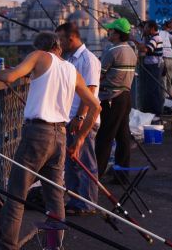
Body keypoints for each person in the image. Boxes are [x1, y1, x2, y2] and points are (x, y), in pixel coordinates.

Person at [0, 31, 101, 250]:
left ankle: (7, 245)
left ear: (42, 47)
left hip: (37, 134)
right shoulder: (72, 70)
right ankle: (55, 245)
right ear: (58, 47)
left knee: (16, 194)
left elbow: (11, 76)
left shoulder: (40, 57)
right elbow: (95, 106)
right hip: (60, 136)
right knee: (55, 197)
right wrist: (79, 139)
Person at [55, 22, 101, 216]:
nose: (59, 43)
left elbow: (89, 92)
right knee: (72, 163)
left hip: (83, 120)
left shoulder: (88, 60)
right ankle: (75, 201)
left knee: (86, 162)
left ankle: (88, 204)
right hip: (70, 118)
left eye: (61, 39)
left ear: (71, 38)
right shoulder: (71, 60)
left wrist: (80, 117)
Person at [95, 18, 137, 179]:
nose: (108, 32)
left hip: (112, 98)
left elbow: (99, 75)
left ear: (118, 34)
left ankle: (96, 175)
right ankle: (122, 175)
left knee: (105, 136)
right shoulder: (131, 51)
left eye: (111, 31)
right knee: (123, 136)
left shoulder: (112, 51)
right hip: (126, 97)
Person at [136, 20, 164, 115]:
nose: (145, 29)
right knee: (150, 89)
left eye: (146, 27)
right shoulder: (152, 37)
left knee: (153, 89)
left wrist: (133, 40)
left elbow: (145, 49)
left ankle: (156, 111)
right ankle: (150, 110)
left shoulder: (155, 39)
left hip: (154, 66)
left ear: (152, 28)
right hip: (152, 66)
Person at [159, 21, 172, 97]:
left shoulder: (159, 33)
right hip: (171, 58)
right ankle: (171, 99)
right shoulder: (167, 34)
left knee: (163, 80)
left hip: (164, 58)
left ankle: (165, 100)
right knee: (169, 81)